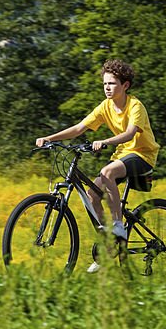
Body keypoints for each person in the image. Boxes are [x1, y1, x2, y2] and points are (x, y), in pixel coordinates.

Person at [35, 59, 159, 272]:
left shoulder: (135, 105)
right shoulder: (105, 107)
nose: (107, 88)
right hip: (122, 156)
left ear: (125, 86)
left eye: (111, 84)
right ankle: (110, 247)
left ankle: (118, 226)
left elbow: (130, 133)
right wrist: (50, 138)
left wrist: (105, 142)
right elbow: (79, 128)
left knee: (107, 171)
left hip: (142, 156)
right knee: (93, 195)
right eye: (104, 84)